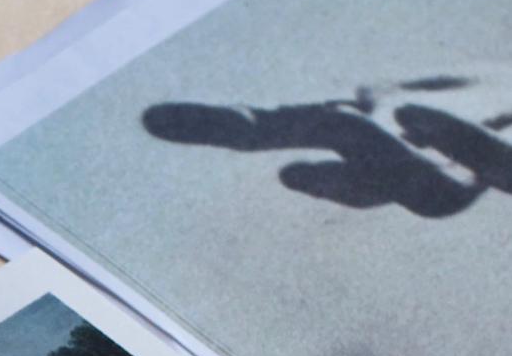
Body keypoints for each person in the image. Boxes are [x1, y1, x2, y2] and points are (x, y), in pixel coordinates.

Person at [143, 68, 512, 220]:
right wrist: (391, 91)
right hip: (430, 181)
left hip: (440, 186)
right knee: (345, 126)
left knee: (345, 126)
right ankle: (255, 129)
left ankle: (258, 129)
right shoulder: (490, 81)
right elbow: (463, 78)